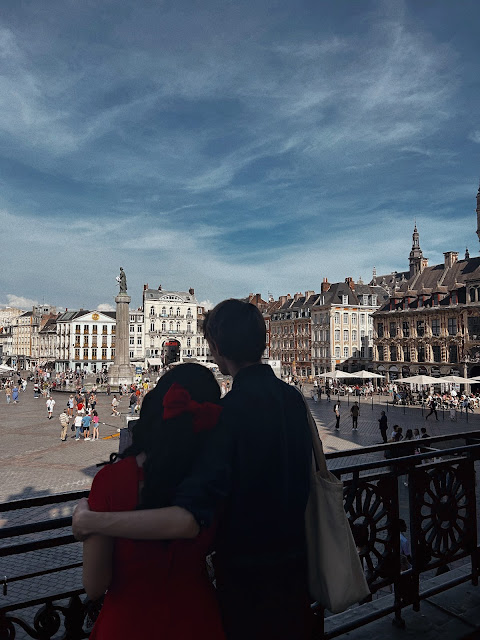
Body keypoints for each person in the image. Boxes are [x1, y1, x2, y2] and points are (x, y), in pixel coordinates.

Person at [73, 299, 313, 640]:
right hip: (298, 571)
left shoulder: (228, 415)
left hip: (247, 584)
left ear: (216, 347)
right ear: (262, 342)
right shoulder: (294, 400)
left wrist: (94, 520)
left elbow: (190, 517)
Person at [81, 364, 225, 639]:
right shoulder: (214, 476)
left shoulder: (110, 480)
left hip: (128, 624)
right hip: (196, 619)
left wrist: (90, 520)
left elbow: (95, 585)